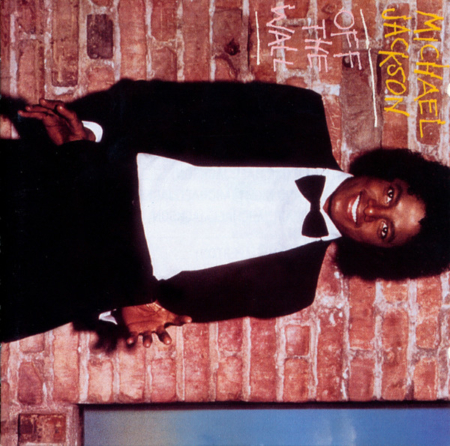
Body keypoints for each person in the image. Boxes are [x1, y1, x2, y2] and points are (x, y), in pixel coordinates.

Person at [2, 80, 449, 345]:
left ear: (377, 250)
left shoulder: (289, 292)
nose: (370, 211)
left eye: (385, 230)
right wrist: (91, 133)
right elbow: (150, 102)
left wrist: (124, 312)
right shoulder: (297, 115)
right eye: (390, 194)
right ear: (387, 172)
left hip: (51, 282)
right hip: (54, 184)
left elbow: (155, 309)